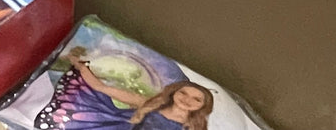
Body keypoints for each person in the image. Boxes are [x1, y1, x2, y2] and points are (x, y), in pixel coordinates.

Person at [33, 52, 213, 130]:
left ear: (203, 106)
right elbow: (102, 88)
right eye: (183, 93)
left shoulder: (193, 127)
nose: (187, 99)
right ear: (174, 92)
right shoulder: (150, 104)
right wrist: (81, 67)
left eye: (197, 99)